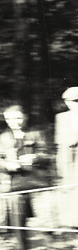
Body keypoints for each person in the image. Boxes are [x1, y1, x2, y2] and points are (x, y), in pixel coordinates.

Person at [0, 105, 50, 250]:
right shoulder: (3, 138)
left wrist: (35, 158)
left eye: (17, 118)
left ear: (25, 117)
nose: (14, 122)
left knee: (44, 218)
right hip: (15, 184)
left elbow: (48, 156)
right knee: (18, 219)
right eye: (9, 119)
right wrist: (6, 165)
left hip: (37, 182)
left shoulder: (37, 134)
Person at [54, 87, 78, 227]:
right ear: (66, 102)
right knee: (70, 191)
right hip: (68, 159)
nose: (76, 104)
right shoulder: (61, 118)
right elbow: (60, 143)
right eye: (74, 101)